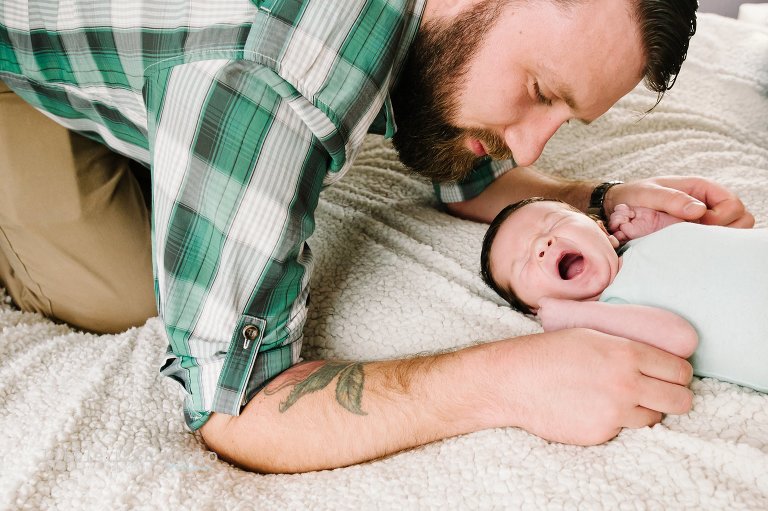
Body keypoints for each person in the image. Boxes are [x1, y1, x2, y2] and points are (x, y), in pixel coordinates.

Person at [0, 0, 755, 473]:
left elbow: (463, 152)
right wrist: (512, 379)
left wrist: (590, 199)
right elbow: (237, 407)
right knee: (131, 289)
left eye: (565, 119)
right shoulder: (273, 68)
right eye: (539, 92)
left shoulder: (445, 23)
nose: (530, 149)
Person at [480, 198, 768, 393]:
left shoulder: (642, 244)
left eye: (553, 223)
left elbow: (714, 245)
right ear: (534, 309)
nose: (543, 244)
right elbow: (681, 338)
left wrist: (662, 224)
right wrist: (573, 317)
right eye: (523, 263)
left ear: (600, 227)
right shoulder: (606, 317)